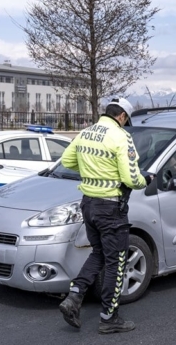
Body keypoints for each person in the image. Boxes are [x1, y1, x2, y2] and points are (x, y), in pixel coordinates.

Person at [58, 98, 154, 334]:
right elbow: (132, 179)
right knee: (116, 262)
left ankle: (74, 296)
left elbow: (68, 160)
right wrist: (147, 179)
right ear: (122, 116)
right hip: (111, 208)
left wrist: (93, 173)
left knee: (98, 254)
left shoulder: (86, 133)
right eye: (125, 121)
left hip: (88, 204)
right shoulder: (120, 137)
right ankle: (109, 318)